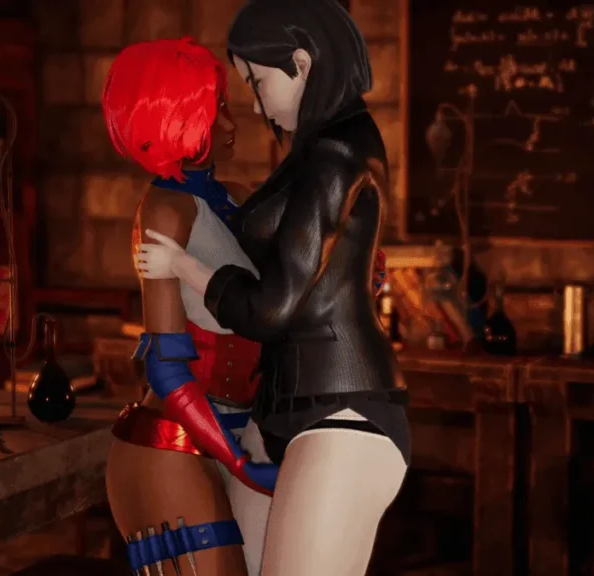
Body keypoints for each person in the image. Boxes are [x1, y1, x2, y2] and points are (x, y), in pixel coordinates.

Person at [135, 1, 411, 574]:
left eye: (257, 83)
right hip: (278, 412)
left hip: (339, 409)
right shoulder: (312, 150)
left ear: (301, 64)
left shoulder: (334, 152)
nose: (255, 108)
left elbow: (270, 308)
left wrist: (185, 267)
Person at [101, 37, 276, 576]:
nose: (230, 122)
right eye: (213, 108)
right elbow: (165, 364)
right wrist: (237, 460)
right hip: (174, 441)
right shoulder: (164, 211)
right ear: (174, 118)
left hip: (241, 430)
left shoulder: (240, 195)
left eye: (225, 104)